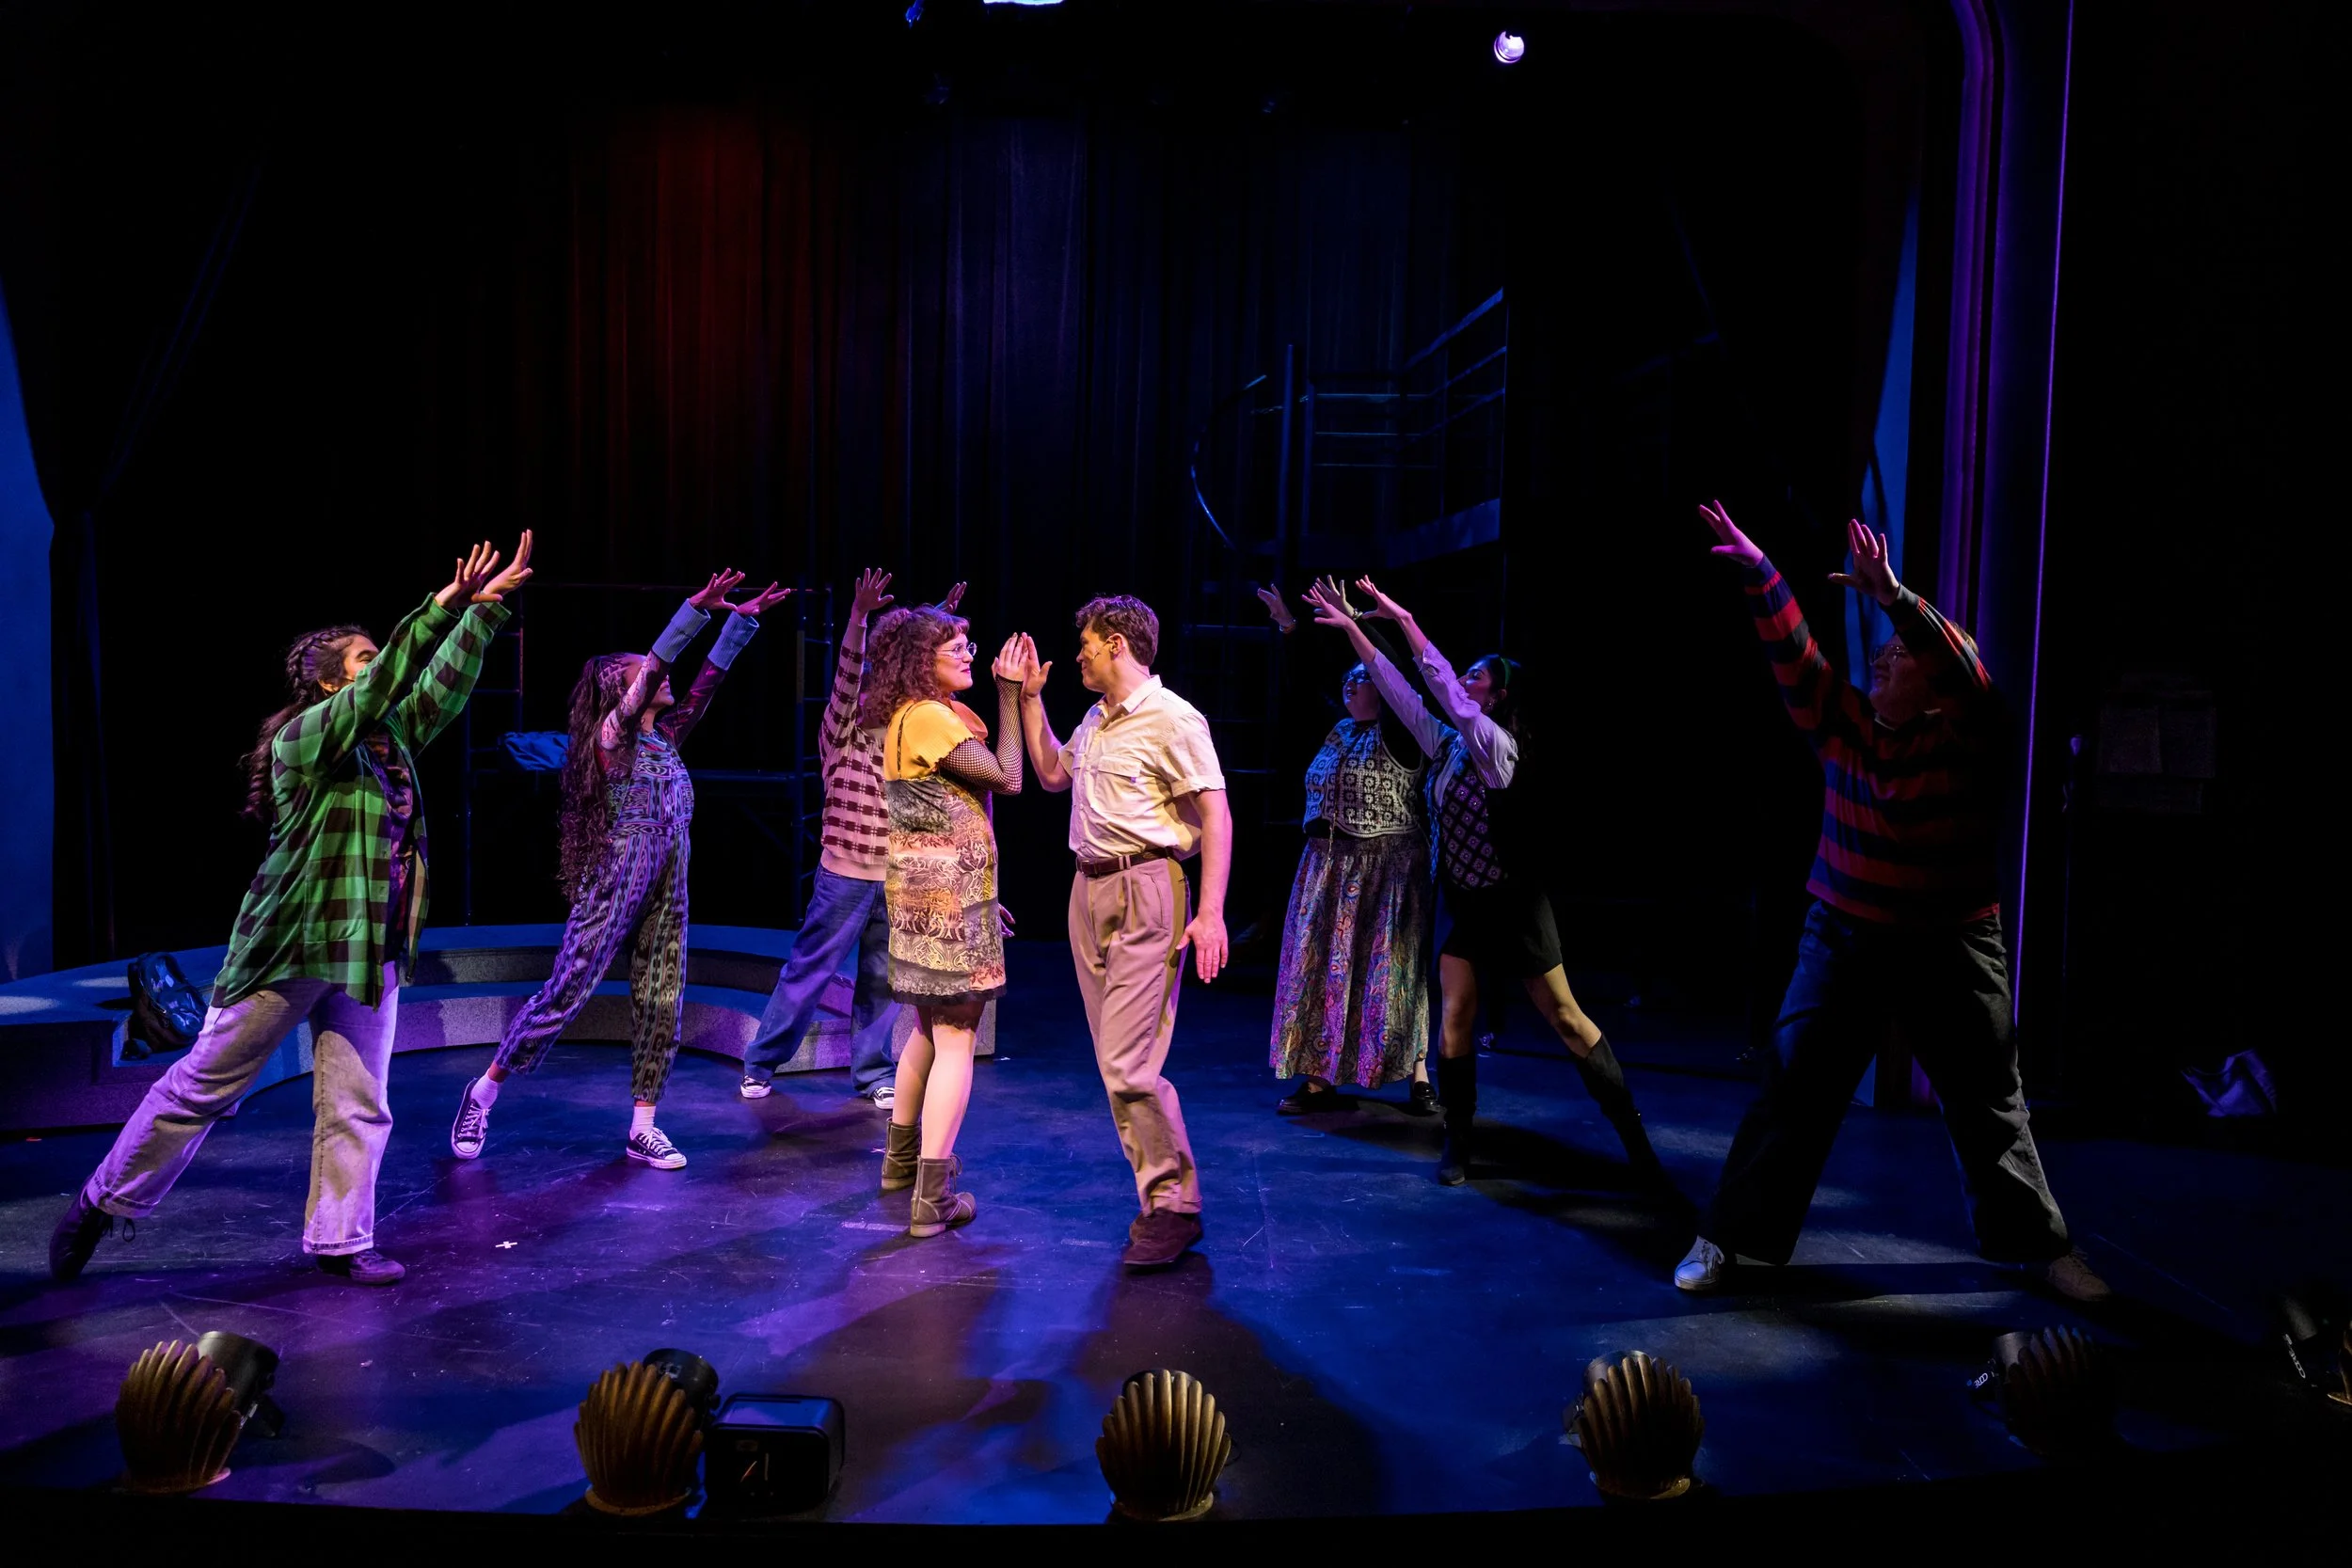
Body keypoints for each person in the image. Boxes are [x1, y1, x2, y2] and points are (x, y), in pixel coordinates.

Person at [50, 534, 533, 1287]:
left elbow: (434, 691)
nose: (382, 671)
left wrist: (480, 614)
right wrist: (441, 606)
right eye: (367, 659)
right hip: (294, 942)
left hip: (367, 946)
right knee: (204, 1084)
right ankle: (104, 1197)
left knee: (359, 1097)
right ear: (329, 682)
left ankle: (342, 1237)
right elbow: (391, 684)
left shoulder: (391, 743)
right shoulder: (303, 740)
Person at [1675, 503, 2108, 1303]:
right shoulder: (1846, 727)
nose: (1883, 658)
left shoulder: (1968, 733)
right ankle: (1730, 1237)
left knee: (1989, 1103)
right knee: (1793, 1086)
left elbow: (1969, 679)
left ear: (1935, 688)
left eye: (1901, 654)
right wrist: (1764, 574)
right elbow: (1796, 660)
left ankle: (2041, 1248)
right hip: (1844, 932)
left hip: (1952, 938)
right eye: (1885, 648)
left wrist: (1898, 600)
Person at [450, 569, 790, 1170]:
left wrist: (742, 621)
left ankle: (642, 1126)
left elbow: (708, 682)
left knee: (663, 997)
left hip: (670, 872)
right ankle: (484, 1091)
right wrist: (693, 609)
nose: (654, 677)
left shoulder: (666, 738)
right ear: (618, 689)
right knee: (568, 990)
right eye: (637, 672)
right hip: (617, 874)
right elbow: (656, 670)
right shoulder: (614, 735)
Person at [1330, 576, 1662, 1187]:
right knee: (1456, 1012)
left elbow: (1444, 690)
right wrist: (1356, 628)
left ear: (1500, 693)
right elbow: (1406, 694)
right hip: (1461, 901)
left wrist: (1404, 617)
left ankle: (1633, 1135)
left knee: (1565, 1016)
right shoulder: (1452, 745)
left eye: (1478, 675)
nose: (1467, 682)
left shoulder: (1494, 744)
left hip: (1512, 902)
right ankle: (1459, 1138)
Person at [1004, 596, 1229, 1268]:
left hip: (1147, 888)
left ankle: (1174, 1204)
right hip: (1088, 889)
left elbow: (1216, 816)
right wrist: (1028, 701)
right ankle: (1160, 1196)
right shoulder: (1097, 719)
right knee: (1116, 1064)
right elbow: (1049, 773)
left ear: (1119, 645)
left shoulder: (1174, 717)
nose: (1078, 655)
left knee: (1129, 1063)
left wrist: (1210, 910)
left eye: (1088, 644)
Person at [737, 569, 948, 1109]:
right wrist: (857, 618)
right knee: (810, 971)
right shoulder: (846, 725)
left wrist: (937, 624)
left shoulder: (917, 727)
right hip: (847, 875)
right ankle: (762, 1061)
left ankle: (874, 1071)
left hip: (899, 876)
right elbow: (850, 673)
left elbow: (929, 674)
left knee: (881, 980)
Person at [865, 606, 1023, 1236]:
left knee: (927, 1029)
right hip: (945, 894)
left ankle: (900, 1166)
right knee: (957, 1035)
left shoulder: (909, 716)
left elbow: (942, 816)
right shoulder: (927, 715)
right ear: (915, 660)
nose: (967, 653)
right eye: (952, 646)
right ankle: (932, 1198)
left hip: (926, 888)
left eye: (967, 640)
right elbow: (1008, 776)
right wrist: (1010, 692)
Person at [1254, 578, 1434, 1116]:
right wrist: (1290, 627)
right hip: (1327, 866)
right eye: (1349, 679)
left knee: (1390, 974)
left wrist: (1360, 620)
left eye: (1364, 678)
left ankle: (1418, 1074)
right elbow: (1302, 686)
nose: (1354, 684)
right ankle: (1317, 1080)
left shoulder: (1403, 732)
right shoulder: (1336, 728)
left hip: (1386, 870)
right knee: (1319, 971)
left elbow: (1391, 670)